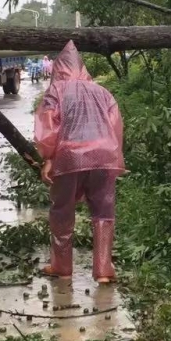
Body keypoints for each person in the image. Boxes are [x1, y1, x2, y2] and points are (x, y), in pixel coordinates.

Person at [34, 41, 125, 283]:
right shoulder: (103, 92)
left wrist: (48, 158)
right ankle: (104, 270)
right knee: (104, 212)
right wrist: (112, 154)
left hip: (69, 157)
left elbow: (48, 127)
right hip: (104, 156)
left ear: (58, 69)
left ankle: (61, 266)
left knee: (62, 210)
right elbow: (115, 126)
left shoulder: (56, 91)